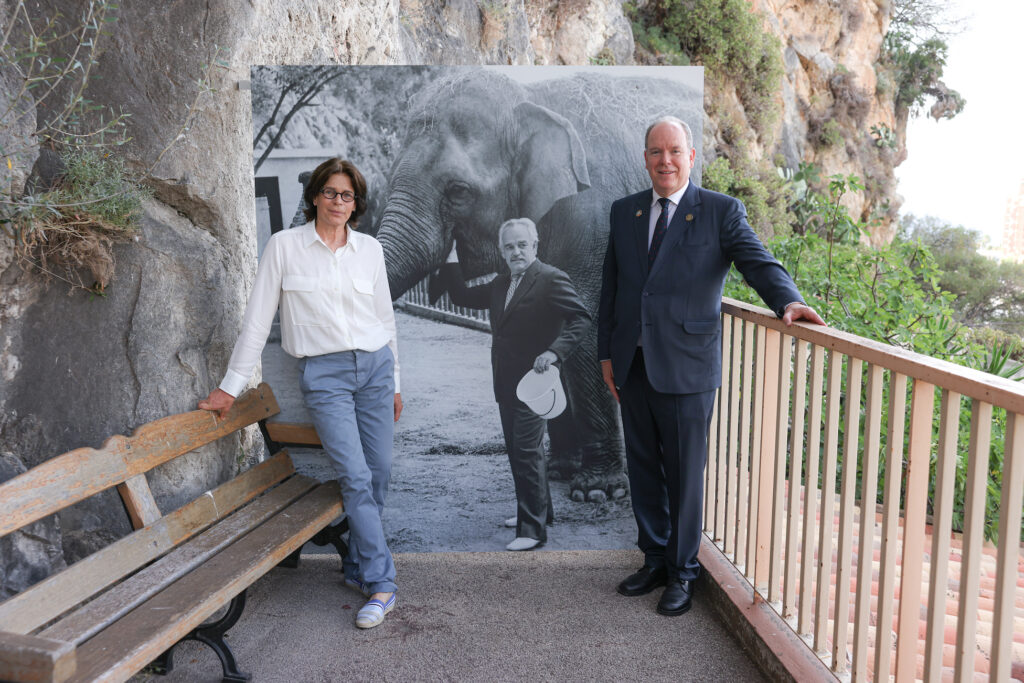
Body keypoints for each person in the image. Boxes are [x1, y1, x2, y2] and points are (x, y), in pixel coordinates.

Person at [597, 117, 824, 616]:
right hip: (632, 362)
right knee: (643, 467)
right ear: (645, 158)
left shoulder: (720, 211)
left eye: (674, 150)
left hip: (688, 367)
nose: (665, 161)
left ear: (691, 155)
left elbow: (758, 261)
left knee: (683, 474)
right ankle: (654, 558)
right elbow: (612, 288)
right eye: (655, 151)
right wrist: (606, 354)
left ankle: (682, 573)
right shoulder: (625, 212)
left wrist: (788, 301)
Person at [199, 158, 403, 629]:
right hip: (325, 376)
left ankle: (356, 563)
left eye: (347, 195)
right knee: (353, 475)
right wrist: (230, 388)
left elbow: (386, 321)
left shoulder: (370, 250)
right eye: (330, 192)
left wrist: (395, 383)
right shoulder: (285, 246)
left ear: (357, 204)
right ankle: (382, 584)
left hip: (375, 369)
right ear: (315, 196)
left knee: (379, 474)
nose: (338, 202)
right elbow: (257, 320)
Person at [440, 218, 591, 551]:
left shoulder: (551, 278)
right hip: (506, 383)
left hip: (536, 383)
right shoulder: (500, 283)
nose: (516, 251)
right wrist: (450, 255)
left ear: (534, 245)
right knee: (519, 452)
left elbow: (580, 318)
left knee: (525, 452)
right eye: (509, 246)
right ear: (502, 251)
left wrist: (554, 352)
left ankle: (533, 530)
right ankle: (538, 512)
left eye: (522, 244)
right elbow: (461, 295)